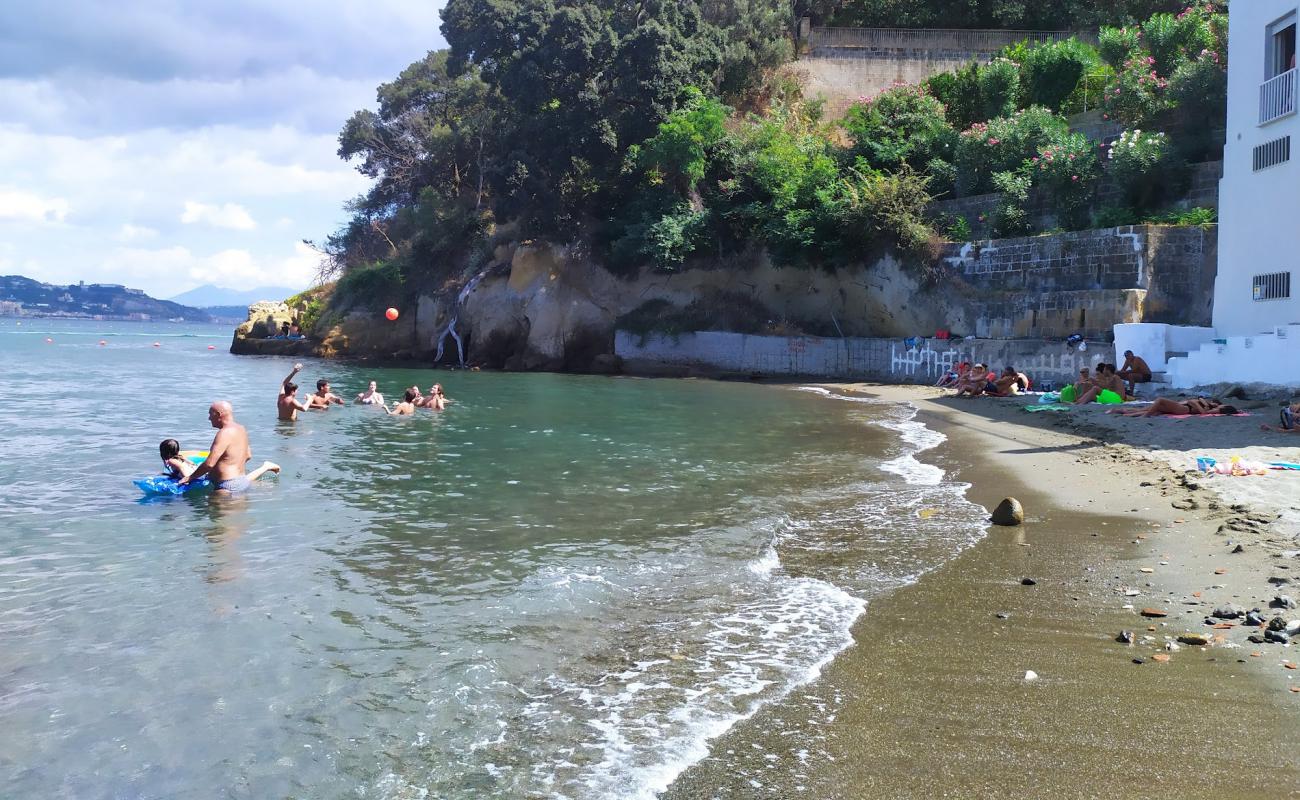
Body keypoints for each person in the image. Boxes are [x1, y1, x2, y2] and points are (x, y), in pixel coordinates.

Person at [180, 401, 279, 494]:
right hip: (242, 481)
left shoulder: (224, 433)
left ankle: (266, 467)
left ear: (218, 414)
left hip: (226, 487)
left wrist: (190, 477)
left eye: (210, 414)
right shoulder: (241, 429)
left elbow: (209, 464)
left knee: (213, 512)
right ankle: (266, 467)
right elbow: (248, 456)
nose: (209, 418)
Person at [1115, 397, 1236, 417]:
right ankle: (1125, 412)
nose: (1215, 403)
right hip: (1182, 406)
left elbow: (1203, 413)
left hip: (1183, 408)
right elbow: (1196, 400)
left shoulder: (1211, 408)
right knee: (1152, 409)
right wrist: (1201, 402)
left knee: (1160, 400)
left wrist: (1201, 403)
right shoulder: (1207, 404)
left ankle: (1145, 416)